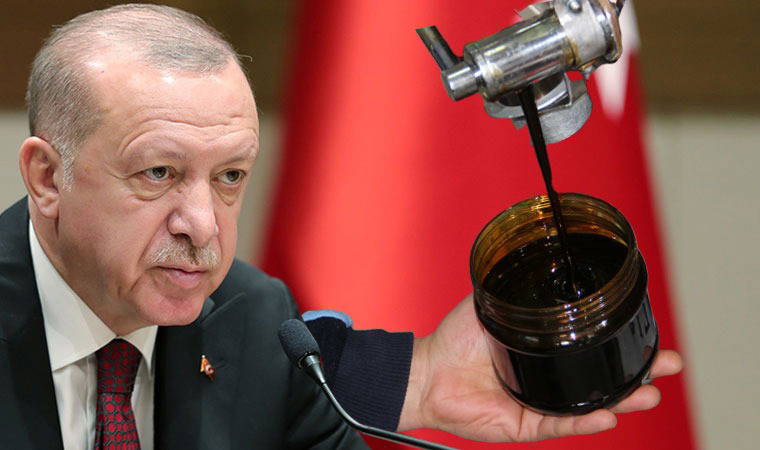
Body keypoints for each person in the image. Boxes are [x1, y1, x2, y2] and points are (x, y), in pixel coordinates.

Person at [1, 3, 682, 449]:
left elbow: (314, 377)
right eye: (158, 173)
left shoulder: (253, 321)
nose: (203, 227)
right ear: (48, 178)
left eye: (230, 176)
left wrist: (422, 381)